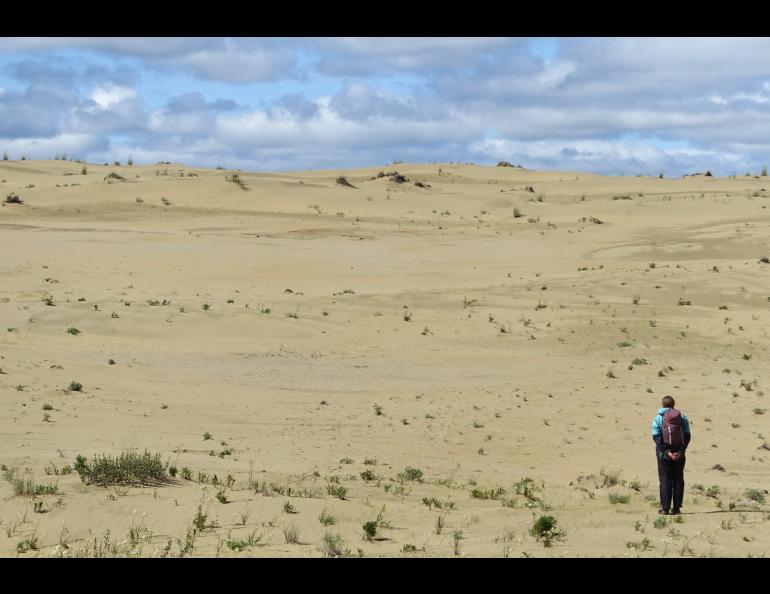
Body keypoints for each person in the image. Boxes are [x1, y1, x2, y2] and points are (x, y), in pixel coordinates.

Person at [651, 395, 691, 515]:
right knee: (678, 479)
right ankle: (677, 508)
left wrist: (667, 452)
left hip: (664, 455)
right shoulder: (682, 417)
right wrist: (680, 451)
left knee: (665, 479)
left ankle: (665, 508)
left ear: (662, 404)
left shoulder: (658, 418)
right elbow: (687, 436)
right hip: (679, 454)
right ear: (673, 404)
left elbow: (656, 437)